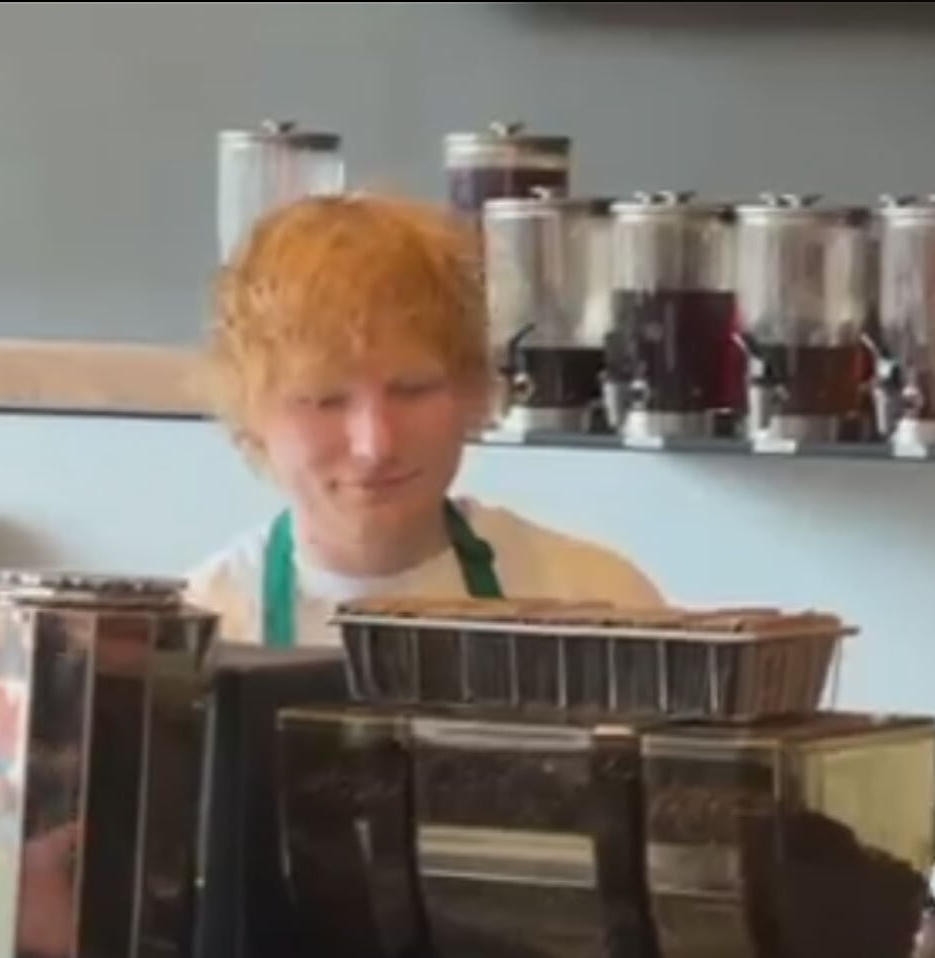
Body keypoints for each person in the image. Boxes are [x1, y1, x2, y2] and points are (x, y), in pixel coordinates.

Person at [184, 191, 664, 647]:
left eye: (412, 391)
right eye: (325, 400)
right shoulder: (207, 626)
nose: (376, 444)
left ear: (471, 391)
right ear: (251, 417)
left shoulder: (599, 604)